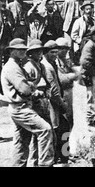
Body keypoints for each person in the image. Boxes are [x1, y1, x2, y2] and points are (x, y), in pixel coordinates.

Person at [1, 38, 54, 167]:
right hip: (21, 108)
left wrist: (30, 86)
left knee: (21, 142)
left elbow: (28, 84)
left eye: (23, 49)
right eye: (18, 50)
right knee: (45, 130)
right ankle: (45, 164)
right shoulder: (12, 67)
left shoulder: (17, 65)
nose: (22, 52)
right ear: (11, 51)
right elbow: (25, 89)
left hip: (19, 107)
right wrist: (35, 90)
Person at [41, 40, 70, 165]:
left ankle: (63, 157)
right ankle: (61, 158)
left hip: (55, 103)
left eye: (56, 52)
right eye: (52, 52)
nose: (55, 54)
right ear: (46, 53)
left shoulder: (52, 63)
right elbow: (53, 90)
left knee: (62, 130)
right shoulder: (47, 66)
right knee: (59, 130)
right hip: (53, 104)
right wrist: (62, 104)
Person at [55, 37, 78, 129]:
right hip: (61, 93)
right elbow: (62, 79)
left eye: (66, 48)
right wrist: (74, 75)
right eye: (61, 48)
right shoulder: (55, 62)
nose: (64, 51)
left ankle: (67, 141)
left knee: (70, 118)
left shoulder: (65, 60)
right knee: (62, 121)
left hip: (68, 93)